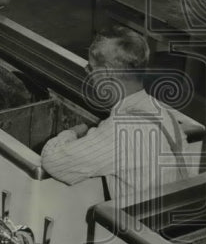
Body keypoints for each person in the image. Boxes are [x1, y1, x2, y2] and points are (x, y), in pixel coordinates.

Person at [41, 27, 192, 207]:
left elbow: (54, 162)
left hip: (137, 227)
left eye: (90, 68)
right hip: (168, 218)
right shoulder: (164, 113)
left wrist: (71, 133)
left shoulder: (120, 129)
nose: (89, 74)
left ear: (106, 73)